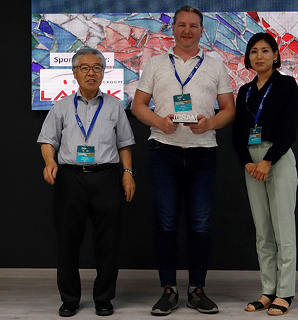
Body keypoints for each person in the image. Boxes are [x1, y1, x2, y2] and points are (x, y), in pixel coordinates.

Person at [131, 5, 235, 316]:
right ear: (172, 29)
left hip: (203, 151)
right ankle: (168, 289)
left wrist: (210, 124)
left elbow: (228, 109)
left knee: (200, 225)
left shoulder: (216, 66)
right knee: (165, 223)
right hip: (164, 151)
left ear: (202, 31)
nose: (187, 30)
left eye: (193, 26)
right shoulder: (155, 64)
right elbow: (138, 105)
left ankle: (197, 290)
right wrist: (159, 122)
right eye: (181, 25)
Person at [37, 48, 136, 317]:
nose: (91, 73)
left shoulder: (115, 105)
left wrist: (128, 173)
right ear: (74, 73)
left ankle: (104, 298)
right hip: (70, 179)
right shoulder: (61, 106)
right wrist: (49, 161)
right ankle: (69, 298)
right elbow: (48, 139)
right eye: (85, 68)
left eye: (97, 68)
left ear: (104, 73)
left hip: (106, 177)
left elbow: (125, 143)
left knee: (108, 242)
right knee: (68, 242)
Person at [232, 32, 298, 316]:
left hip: (278, 158)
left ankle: (285, 293)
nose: (259, 56)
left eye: (265, 51)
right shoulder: (245, 92)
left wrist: (268, 161)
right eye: (254, 52)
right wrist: (247, 163)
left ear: (275, 55)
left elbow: (289, 130)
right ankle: (267, 290)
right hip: (252, 162)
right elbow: (237, 134)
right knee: (263, 230)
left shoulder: (286, 85)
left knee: (283, 229)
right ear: (248, 57)